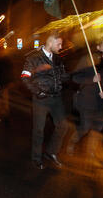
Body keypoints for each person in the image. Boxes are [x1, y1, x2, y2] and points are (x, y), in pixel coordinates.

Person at [21, 33, 69, 170]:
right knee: (38, 130)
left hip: (56, 98)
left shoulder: (58, 59)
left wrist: (74, 76)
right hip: (41, 99)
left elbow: (64, 75)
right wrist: (38, 91)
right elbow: (25, 77)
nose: (61, 47)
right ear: (50, 42)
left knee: (63, 126)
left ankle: (51, 152)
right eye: (59, 44)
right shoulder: (33, 58)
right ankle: (36, 158)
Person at [66, 40, 103, 158]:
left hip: (101, 103)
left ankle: (91, 151)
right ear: (98, 47)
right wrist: (91, 80)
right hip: (86, 101)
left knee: (98, 127)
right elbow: (75, 78)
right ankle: (72, 143)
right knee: (85, 127)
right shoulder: (88, 60)